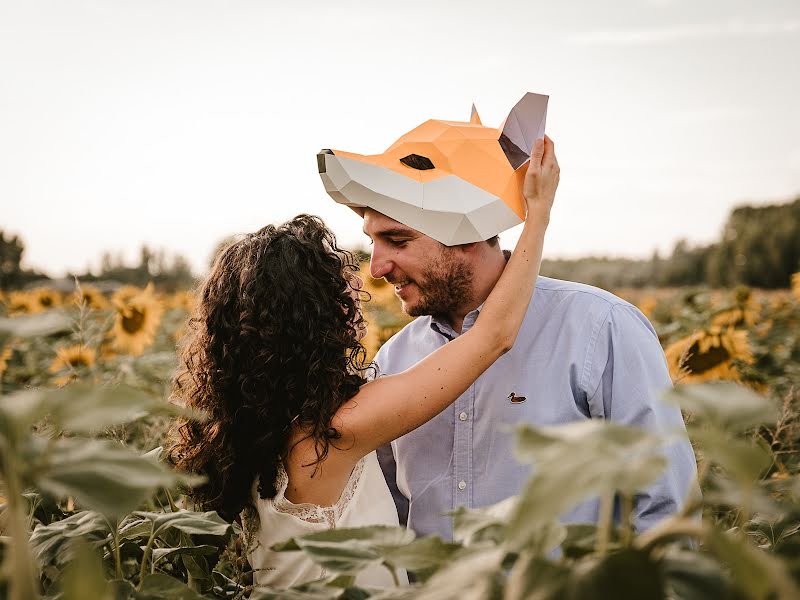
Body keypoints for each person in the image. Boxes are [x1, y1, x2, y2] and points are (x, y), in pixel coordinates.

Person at [167, 137, 559, 588]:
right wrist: (538, 214)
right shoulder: (335, 432)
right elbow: (493, 335)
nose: (360, 287)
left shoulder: (261, 422)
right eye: (338, 290)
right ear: (310, 320)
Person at [364, 170, 698, 544]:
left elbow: (665, 504)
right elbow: (391, 515)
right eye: (373, 242)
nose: (376, 268)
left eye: (397, 240)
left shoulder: (599, 327)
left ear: (468, 231)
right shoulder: (393, 359)